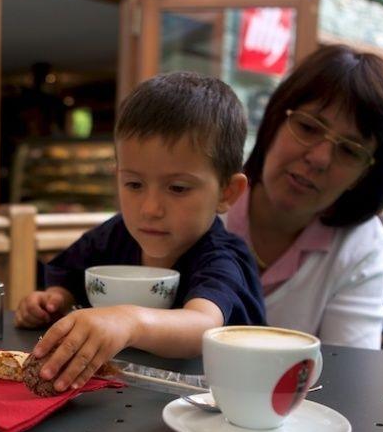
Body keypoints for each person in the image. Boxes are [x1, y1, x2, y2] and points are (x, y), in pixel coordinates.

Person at [15, 72, 266, 394]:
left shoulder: (222, 255)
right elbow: (69, 276)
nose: (150, 208)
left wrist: (127, 321)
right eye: (134, 184)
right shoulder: (116, 234)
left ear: (227, 193)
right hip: (133, 397)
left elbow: (202, 325)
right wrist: (51, 302)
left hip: (224, 405)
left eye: (177, 188)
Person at [226, 44, 383, 348]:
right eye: (308, 127)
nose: (320, 157)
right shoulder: (202, 201)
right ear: (275, 121)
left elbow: (349, 373)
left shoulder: (361, 245)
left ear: (365, 175)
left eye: (350, 150)